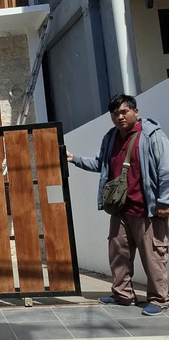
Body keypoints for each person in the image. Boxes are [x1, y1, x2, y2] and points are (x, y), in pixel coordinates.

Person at [67, 94, 169, 316]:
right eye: (115, 114)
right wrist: (74, 159)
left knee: (153, 257)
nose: (120, 117)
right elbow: (100, 164)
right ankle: (123, 294)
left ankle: (159, 299)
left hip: (147, 209)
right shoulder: (111, 137)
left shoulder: (152, 135)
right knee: (118, 254)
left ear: (135, 112)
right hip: (120, 208)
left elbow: (166, 170)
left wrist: (164, 202)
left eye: (124, 112)